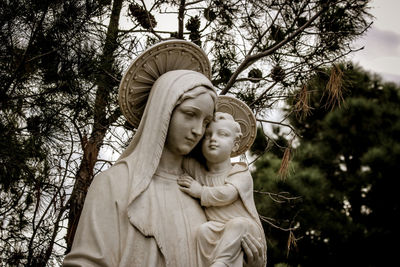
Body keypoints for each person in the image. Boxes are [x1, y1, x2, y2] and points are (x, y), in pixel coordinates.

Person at [63, 39, 265, 267]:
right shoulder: (114, 184)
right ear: (164, 111)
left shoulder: (204, 192)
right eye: (190, 114)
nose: (198, 130)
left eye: (206, 121)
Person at [178, 112, 267, 267]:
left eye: (223, 134)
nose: (213, 139)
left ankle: (222, 264)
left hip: (247, 232)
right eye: (207, 135)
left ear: (236, 144)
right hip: (218, 229)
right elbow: (177, 156)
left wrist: (200, 192)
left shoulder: (239, 172)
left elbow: (227, 195)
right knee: (203, 231)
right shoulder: (199, 171)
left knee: (238, 225)